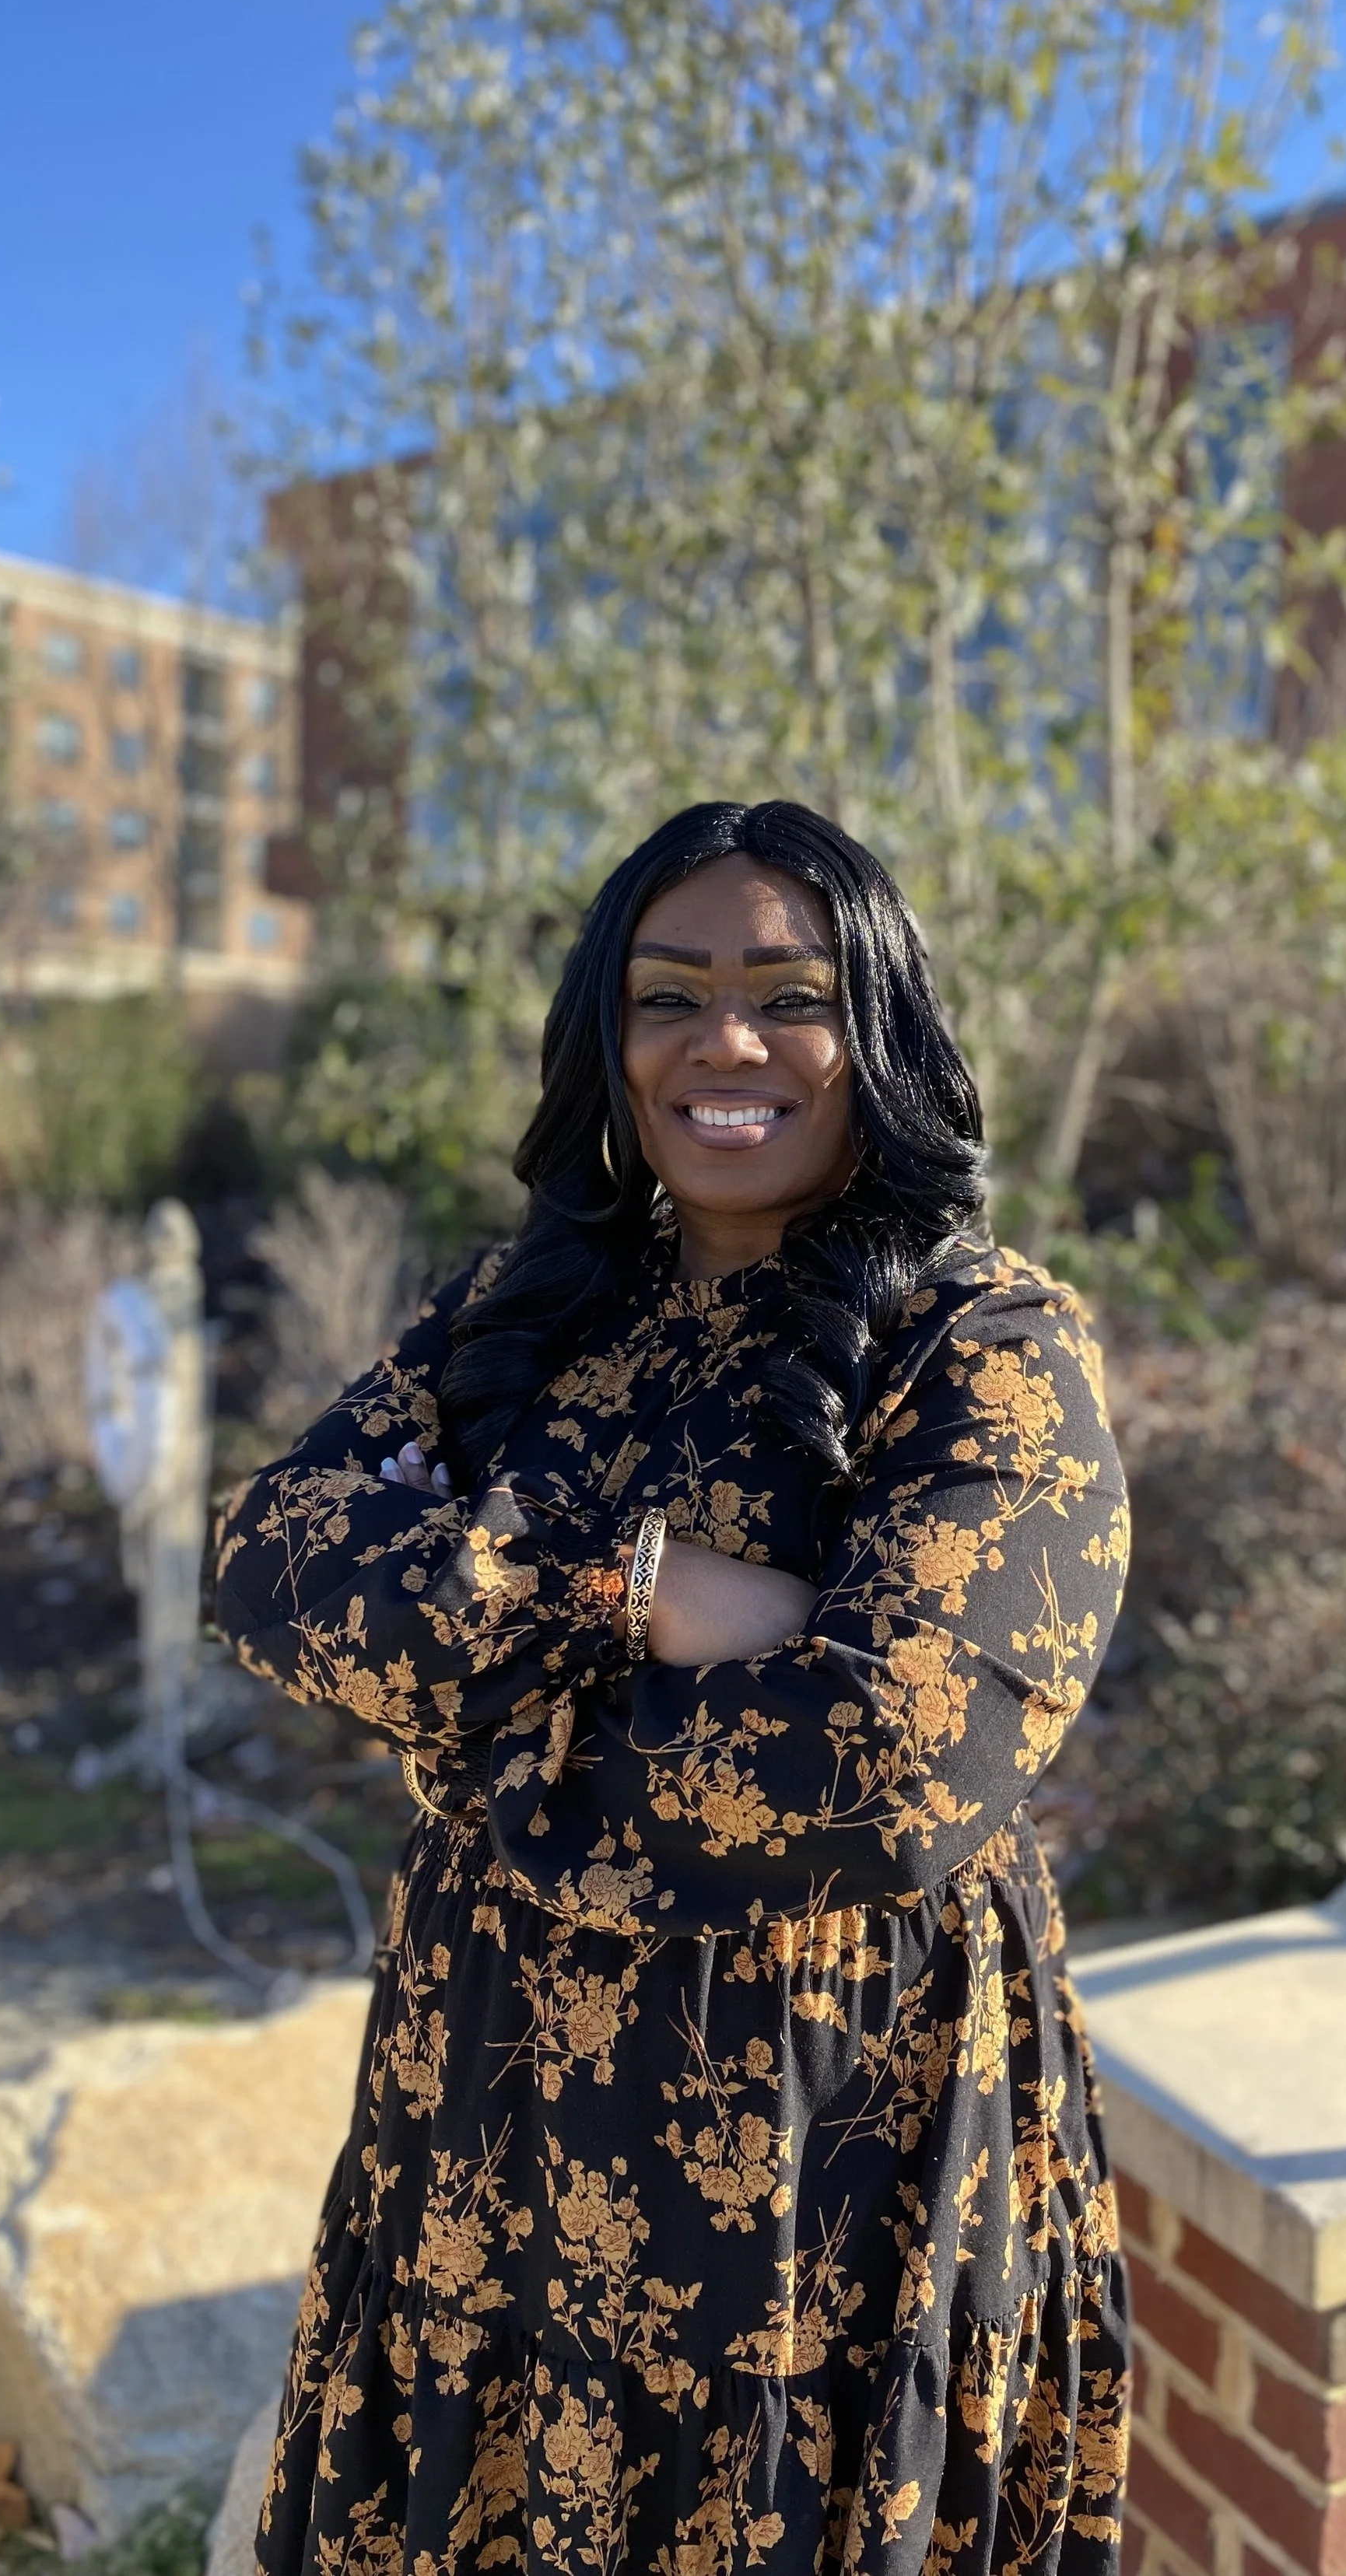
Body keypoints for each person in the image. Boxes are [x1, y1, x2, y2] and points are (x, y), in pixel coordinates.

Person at [212, 800, 1132, 2575]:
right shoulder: (514, 1309)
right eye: (668, 997)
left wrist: (478, 1643)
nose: (726, 1043)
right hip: (484, 2100)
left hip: (823, 2139)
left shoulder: (987, 1344)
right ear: (604, 1039)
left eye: (789, 995)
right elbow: (268, 1564)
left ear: (877, 1031)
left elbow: (896, 1758)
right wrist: (646, 1594)